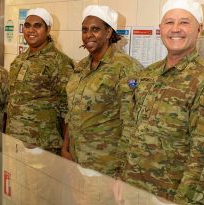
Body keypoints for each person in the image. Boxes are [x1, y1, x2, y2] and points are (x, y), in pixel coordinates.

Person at [119, 0, 204, 204]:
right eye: (169, 22)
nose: (175, 29)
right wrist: (120, 178)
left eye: (184, 22)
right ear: (160, 29)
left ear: (199, 30)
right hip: (132, 191)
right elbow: (130, 130)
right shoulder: (148, 75)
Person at [61, 5, 143, 176]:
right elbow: (73, 111)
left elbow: (131, 123)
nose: (88, 35)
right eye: (84, 30)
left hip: (105, 165)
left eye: (95, 29)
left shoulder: (126, 68)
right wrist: (65, 147)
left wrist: (122, 170)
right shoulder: (81, 66)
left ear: (108, 33)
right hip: (76, 159)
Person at [6, 8, 74, 155]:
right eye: (28, 25)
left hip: (43, 145)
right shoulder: (19, 60)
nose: (31, 30)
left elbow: (68, 108)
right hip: (15, 141)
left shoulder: (59, 62)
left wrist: (66, 147)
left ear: (48, 29)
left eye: (37, 26)